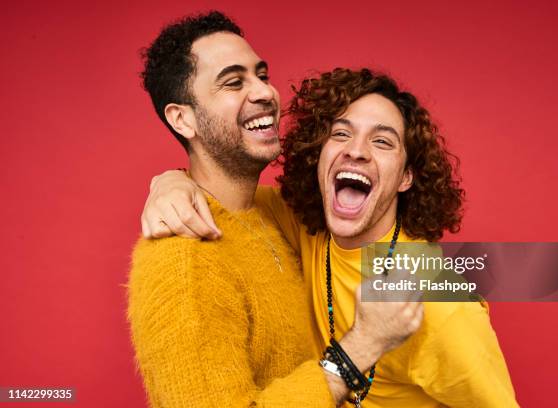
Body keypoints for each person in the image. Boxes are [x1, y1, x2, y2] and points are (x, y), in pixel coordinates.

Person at [143, 68, 519, 407]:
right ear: (319, 156)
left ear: (406, 177)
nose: (356, 151)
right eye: (341, 134)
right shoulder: (302, 224)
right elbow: (222, 193)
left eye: (383, 142)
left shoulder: (441, 304)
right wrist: (172, 182)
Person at [128, 11, 423, 408]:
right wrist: (359, 349)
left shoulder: (271, 213)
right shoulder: (183, 262)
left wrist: (168, 178)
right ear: (183, 119)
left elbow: (395, 247)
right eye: (234, 82)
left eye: (261, 75)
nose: (265, 93)